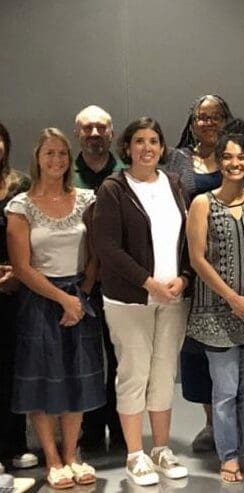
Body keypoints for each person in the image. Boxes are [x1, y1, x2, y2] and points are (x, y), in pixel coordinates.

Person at [92, 117, 192, 486]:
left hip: (173, 298)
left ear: (163, 148)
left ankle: (161, 448)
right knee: (134, 373)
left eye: (154, 141)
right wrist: (148, 282)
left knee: (164, 373)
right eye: (139, 141)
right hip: (129, 300)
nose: (147, 147)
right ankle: (135, 454)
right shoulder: (114, 189)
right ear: (127, 147)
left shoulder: (175, 185)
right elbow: (107, 247)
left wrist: (182, 279)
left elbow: (187, 243)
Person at [6, 128, 104, 489]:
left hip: (80, 297)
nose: (57, 160)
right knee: (43, 381)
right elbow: (21, 267)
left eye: (62, 153)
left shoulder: (86, 200)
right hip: (40, 300)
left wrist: (82, 296)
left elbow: (96, 254)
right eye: (49, 153)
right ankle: (51, 457)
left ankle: (72, 453)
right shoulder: (21, 206)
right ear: (37, 157)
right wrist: (63, 299)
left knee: (77, 379)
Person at [186, 133, 244, 483]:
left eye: (241, 157)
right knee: (224, 392)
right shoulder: (202, 204)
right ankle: (228, 455)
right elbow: (197, 259)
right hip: (215, 314)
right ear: (219, 161)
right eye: (228, 157)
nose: (235, 163)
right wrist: (231, 297)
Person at [72, 105, 127, 452]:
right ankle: (90, 430)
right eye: (87, 128)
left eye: (100, 128)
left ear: (111, 132)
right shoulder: (64, 173)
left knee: (121, 359)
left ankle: (122, 429)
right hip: (76, 285)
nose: (94, 134)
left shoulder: (126, 173)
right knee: (85, 361)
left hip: (120, 283)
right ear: (78, 133)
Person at [0, 122, 39, 474]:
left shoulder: (20, 185)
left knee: (13, 368)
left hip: (16, 290)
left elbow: (34, 237)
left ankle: (14, 444)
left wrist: (16, 272)